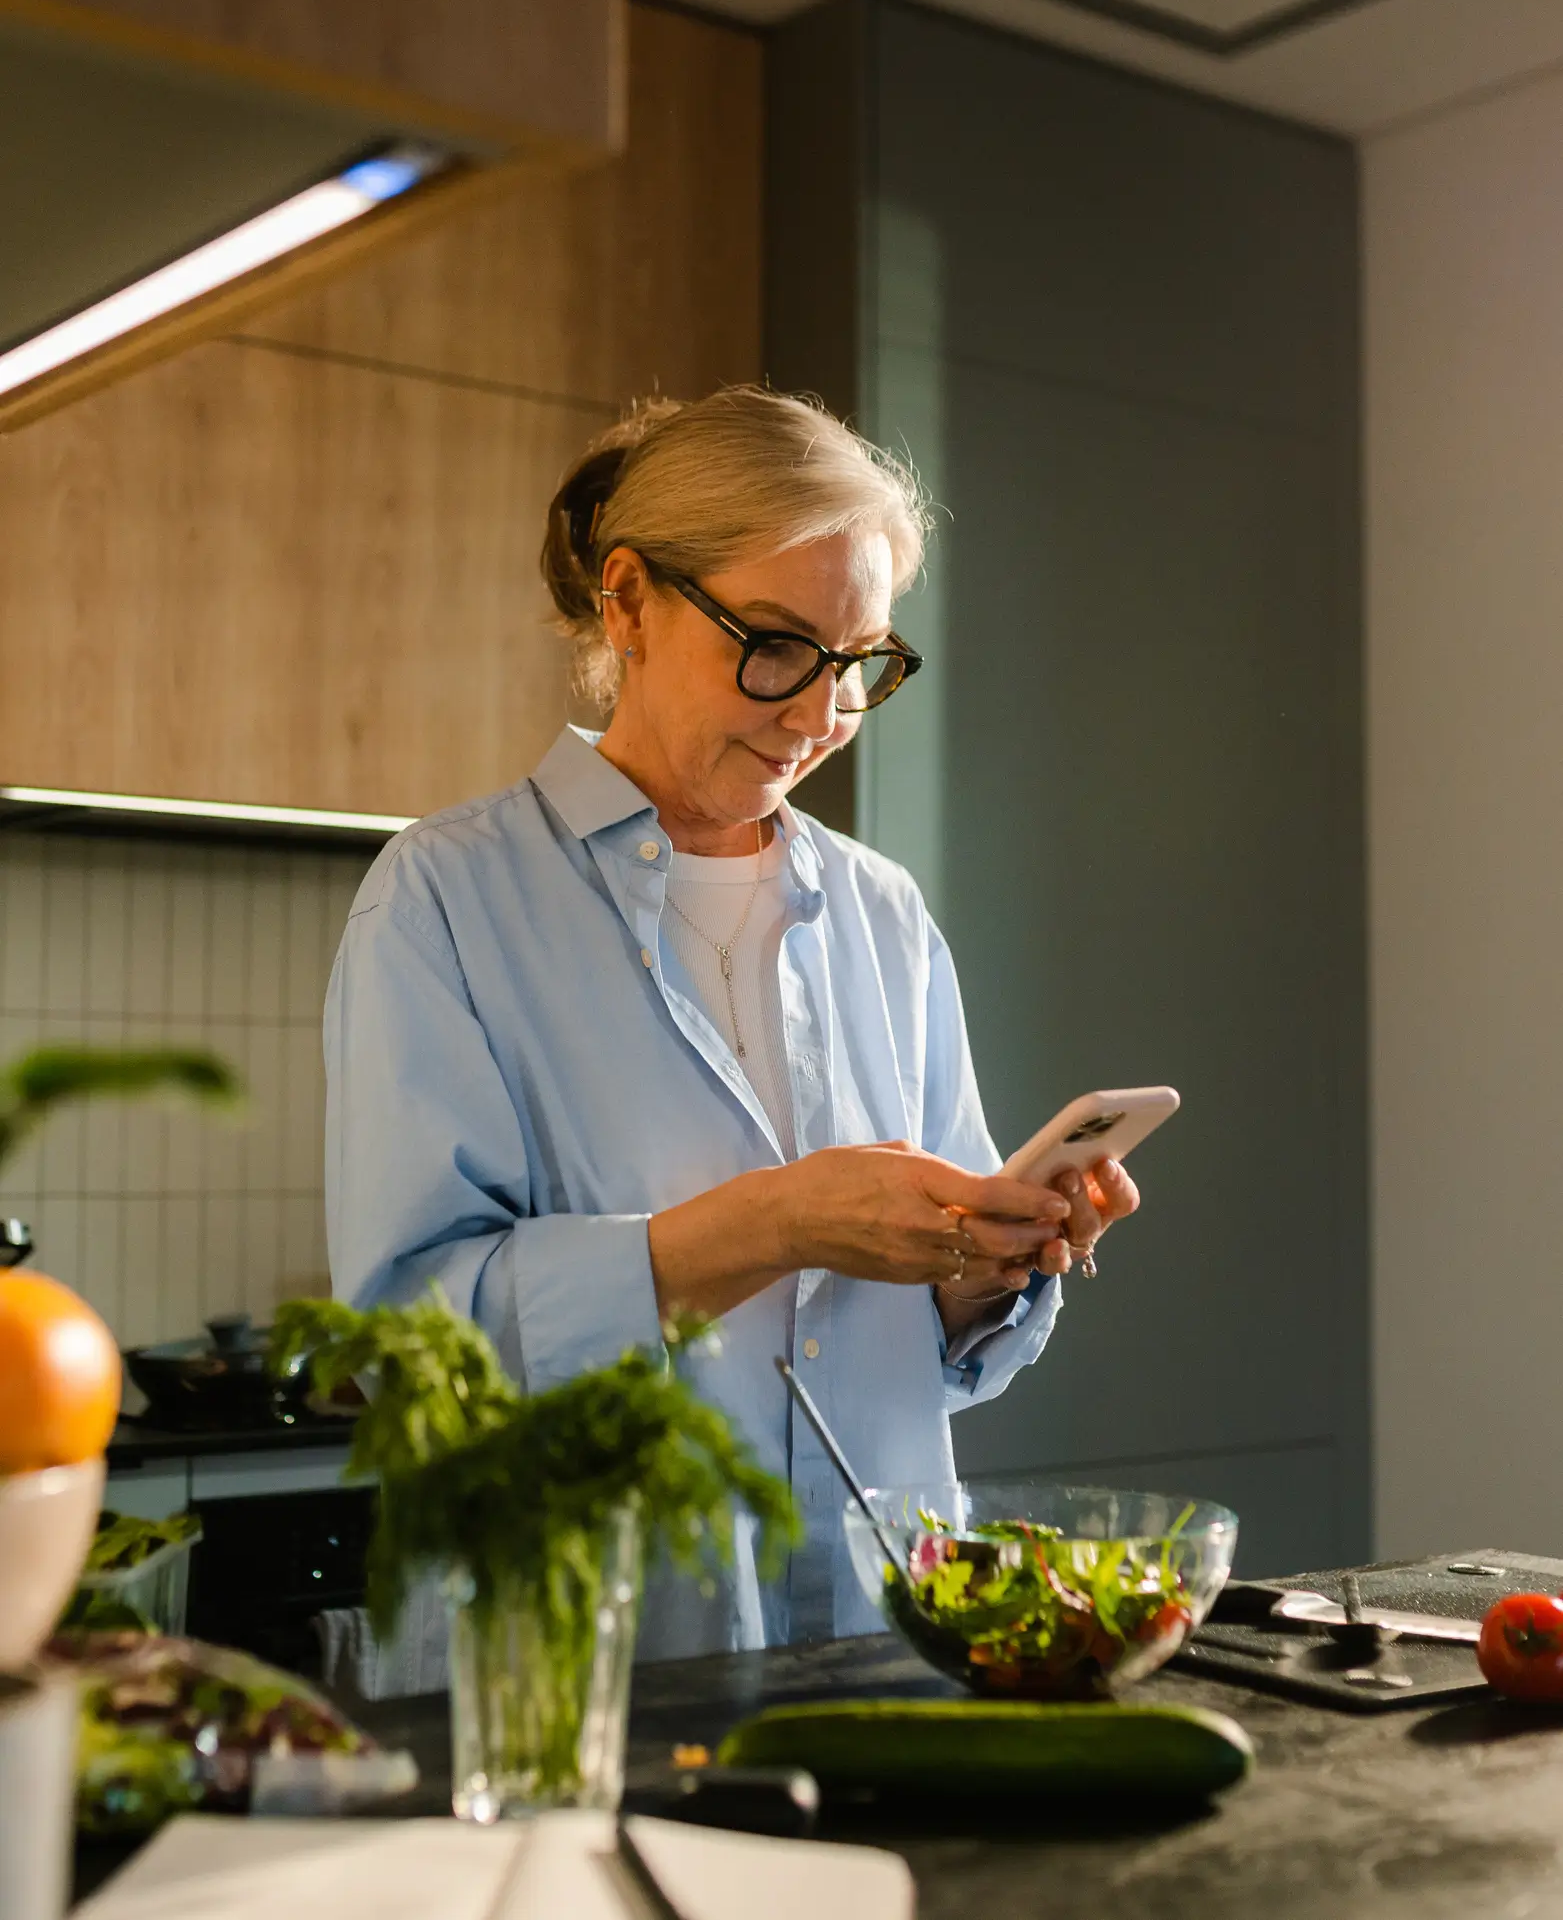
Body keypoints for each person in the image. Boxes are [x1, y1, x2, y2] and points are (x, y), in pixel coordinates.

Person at [325, 386, 1141, 1657]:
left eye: (860, 662)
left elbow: (927, 1344)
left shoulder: (880, 912)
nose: (819, 713)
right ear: (630, 599)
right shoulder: (448, 896)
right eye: (775, 645)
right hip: (578, 1671)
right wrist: (776, 1221)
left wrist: (993, 1260)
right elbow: (410, 1350)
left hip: (887, 1640)